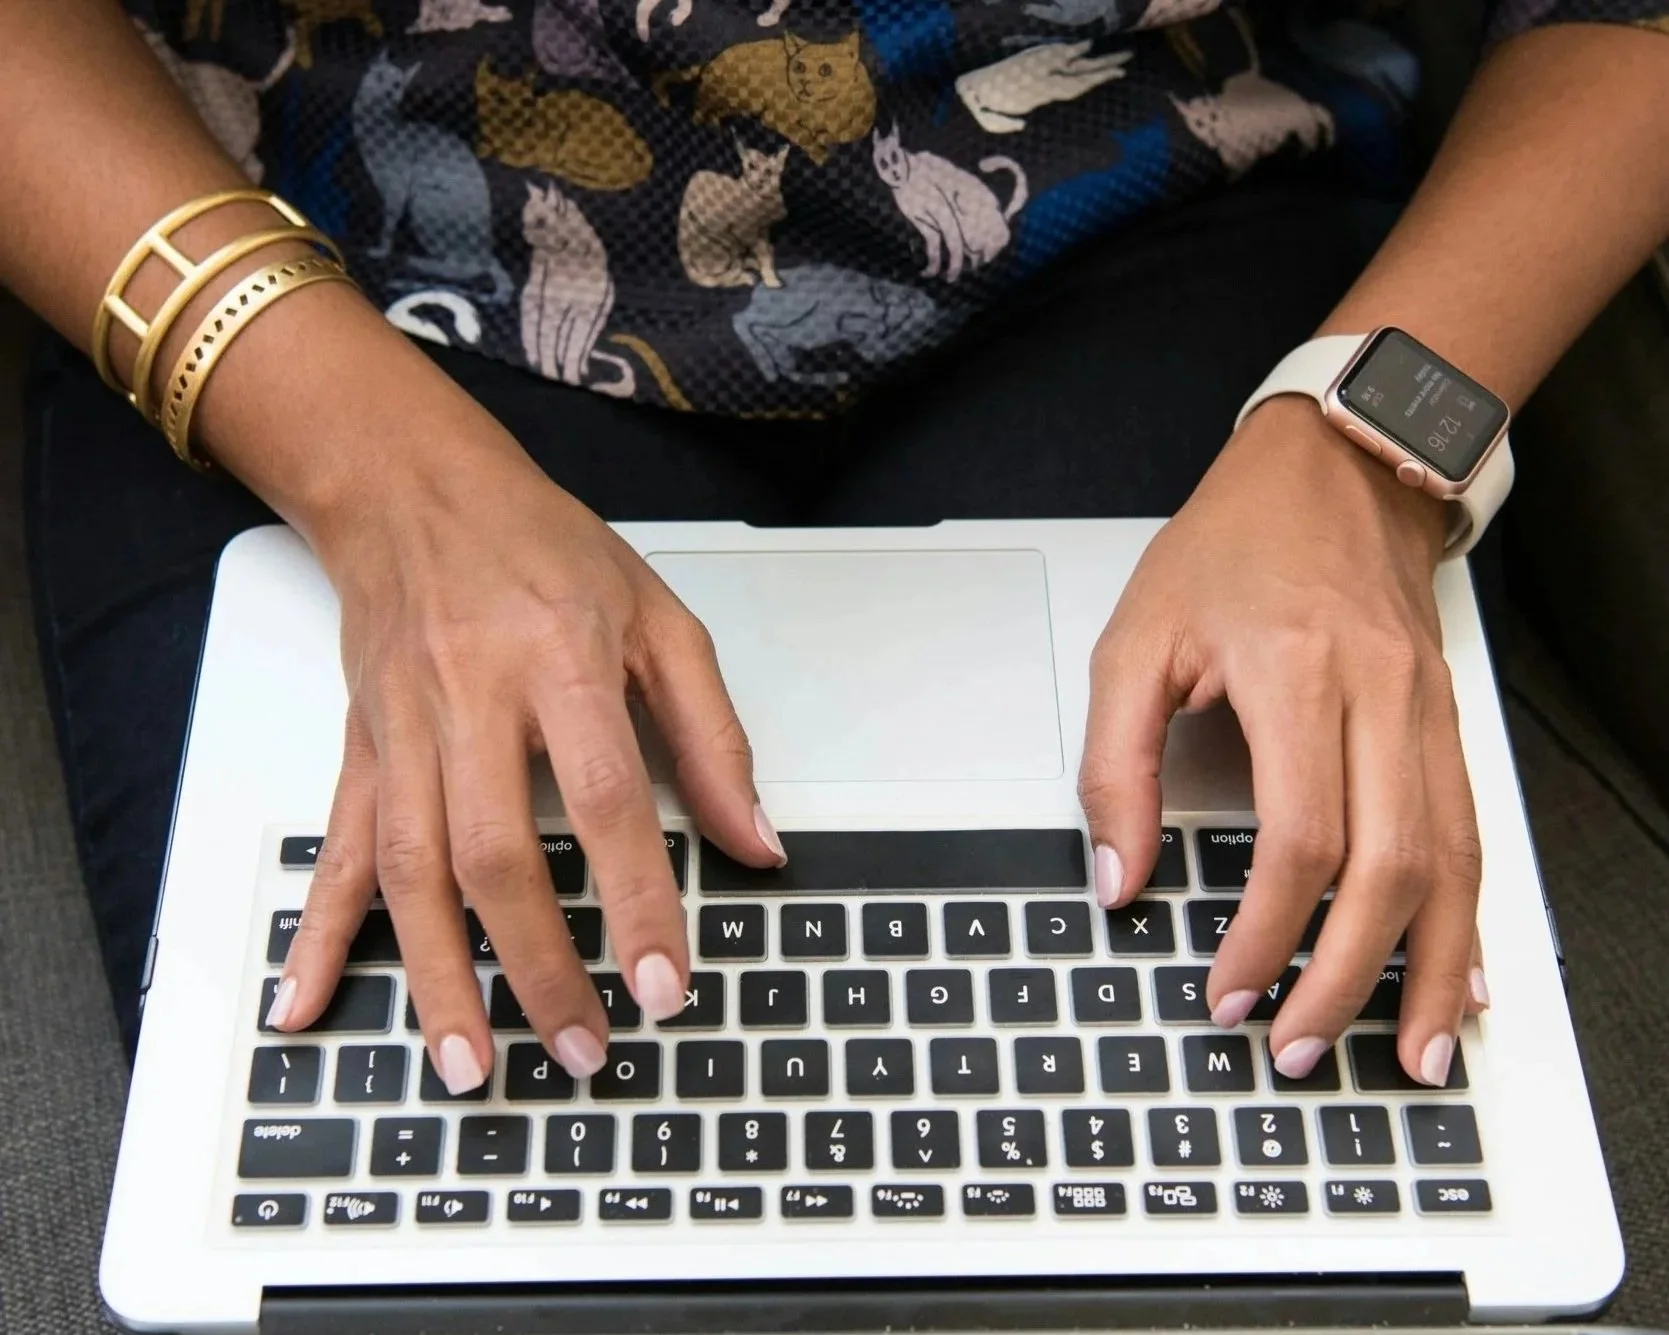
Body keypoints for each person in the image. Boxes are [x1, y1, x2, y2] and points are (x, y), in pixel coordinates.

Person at [3, 1, 1665, 1093]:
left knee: (1237, 1133)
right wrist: (377, 478)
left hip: (1156, 205)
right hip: (336, 266)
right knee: (447, 1145)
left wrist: (1369, 441)